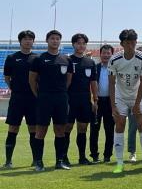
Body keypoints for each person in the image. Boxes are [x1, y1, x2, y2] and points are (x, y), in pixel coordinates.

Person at [108, 29, 142, 174]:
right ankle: (120, 163)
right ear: (122, 44)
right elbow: (111, 83)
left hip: (137, 96)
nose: (131, 46)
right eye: (127, 43)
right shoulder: (114, 60)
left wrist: (137, 103)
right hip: (120, 97)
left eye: (133, 43)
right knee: (120, 125)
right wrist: (113, 105)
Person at [29, 30, 73, 171]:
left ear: (60, 41)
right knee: (41, 130)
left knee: (60, 130)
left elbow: (68, 79)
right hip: (44, 98)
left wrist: (60, 92)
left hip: (61, 98)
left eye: (57, 39)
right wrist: (40, 95)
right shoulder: (39, 59)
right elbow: (32, 80)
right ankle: (38, 161)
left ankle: (59, 161)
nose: (55, 41)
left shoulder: (66, 59)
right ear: (47, 41)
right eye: (52, 38)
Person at [3, 30, 38, 168]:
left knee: (33, 129)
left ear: (33, 41)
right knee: (13, 128)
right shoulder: (12, 58)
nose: (28, 41)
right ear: (20, 41)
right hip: (17, 98)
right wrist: (15, 88)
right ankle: (8, 161)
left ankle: (35, 160)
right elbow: (7, 78)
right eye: (25, 39)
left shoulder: (36, 58)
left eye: (30, 39)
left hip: (33, 99)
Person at [64, 33, 98, 166]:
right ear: (73, 44)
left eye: (83, 43)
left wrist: (95, 100)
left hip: (84, 100)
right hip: (70, 99)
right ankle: (63, 157)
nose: (81, 46)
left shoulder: (90, 62)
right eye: (78, 43)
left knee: (82, 128)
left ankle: (82, 157)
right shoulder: (67, 60)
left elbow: (93, 83)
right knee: (67, 128)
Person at [89, 44, 115, 163]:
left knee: (109, 130)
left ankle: (107, 155)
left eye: (108, 53)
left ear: (112, 54)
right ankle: (94, 155)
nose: (106, 55)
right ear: (100, 54)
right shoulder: (95, 67)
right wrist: (94, 100)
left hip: (110, 102)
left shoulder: (115, 69)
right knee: (94, 129)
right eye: (104, 53)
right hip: (97, 102)